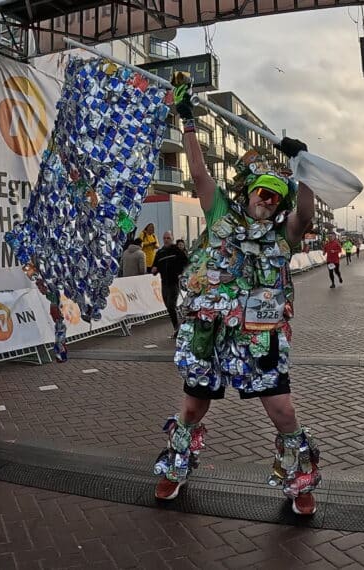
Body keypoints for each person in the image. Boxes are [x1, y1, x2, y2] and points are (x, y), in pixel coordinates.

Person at [155, 74, 321, 516]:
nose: (266, 198)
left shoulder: (284, 235)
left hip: (260, 336)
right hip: (210, 331)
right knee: (193, 406)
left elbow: (305, 213)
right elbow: (197, 171)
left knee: (282, 411)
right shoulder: (221, 216)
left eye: (275, 195)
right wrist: (186, 119)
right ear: (247, 193)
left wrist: (301, 169)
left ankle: (299, 480)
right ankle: (176, 466)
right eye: (260, 191)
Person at [152, 231, 190, 338]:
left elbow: (187, 263)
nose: (166, 240)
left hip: (174, 282)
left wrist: (182, 273)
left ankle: (177, 328)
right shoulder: (160, 253)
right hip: (164, 282)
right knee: (168, 306)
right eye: (164, 238)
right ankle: (177, 327)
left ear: (172, 238)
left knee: (171, 305)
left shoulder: (177, 250)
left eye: (168, 238)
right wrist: (154, 270)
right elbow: (155, 267)